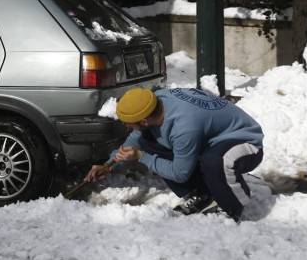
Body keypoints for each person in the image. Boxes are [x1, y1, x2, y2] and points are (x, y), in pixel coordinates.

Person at [86, 87, 266, 221]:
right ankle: (202, 194)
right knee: (150, 141)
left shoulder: (184, 127)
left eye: (128, 123)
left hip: (245, 142)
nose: (126, 127)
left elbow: (180, 173)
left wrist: (142, 157)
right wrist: (109, 165)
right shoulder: (156, 101)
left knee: (216, 161)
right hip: (213, 140)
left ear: (144, 120)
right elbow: (137, 137)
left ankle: (231, 208)